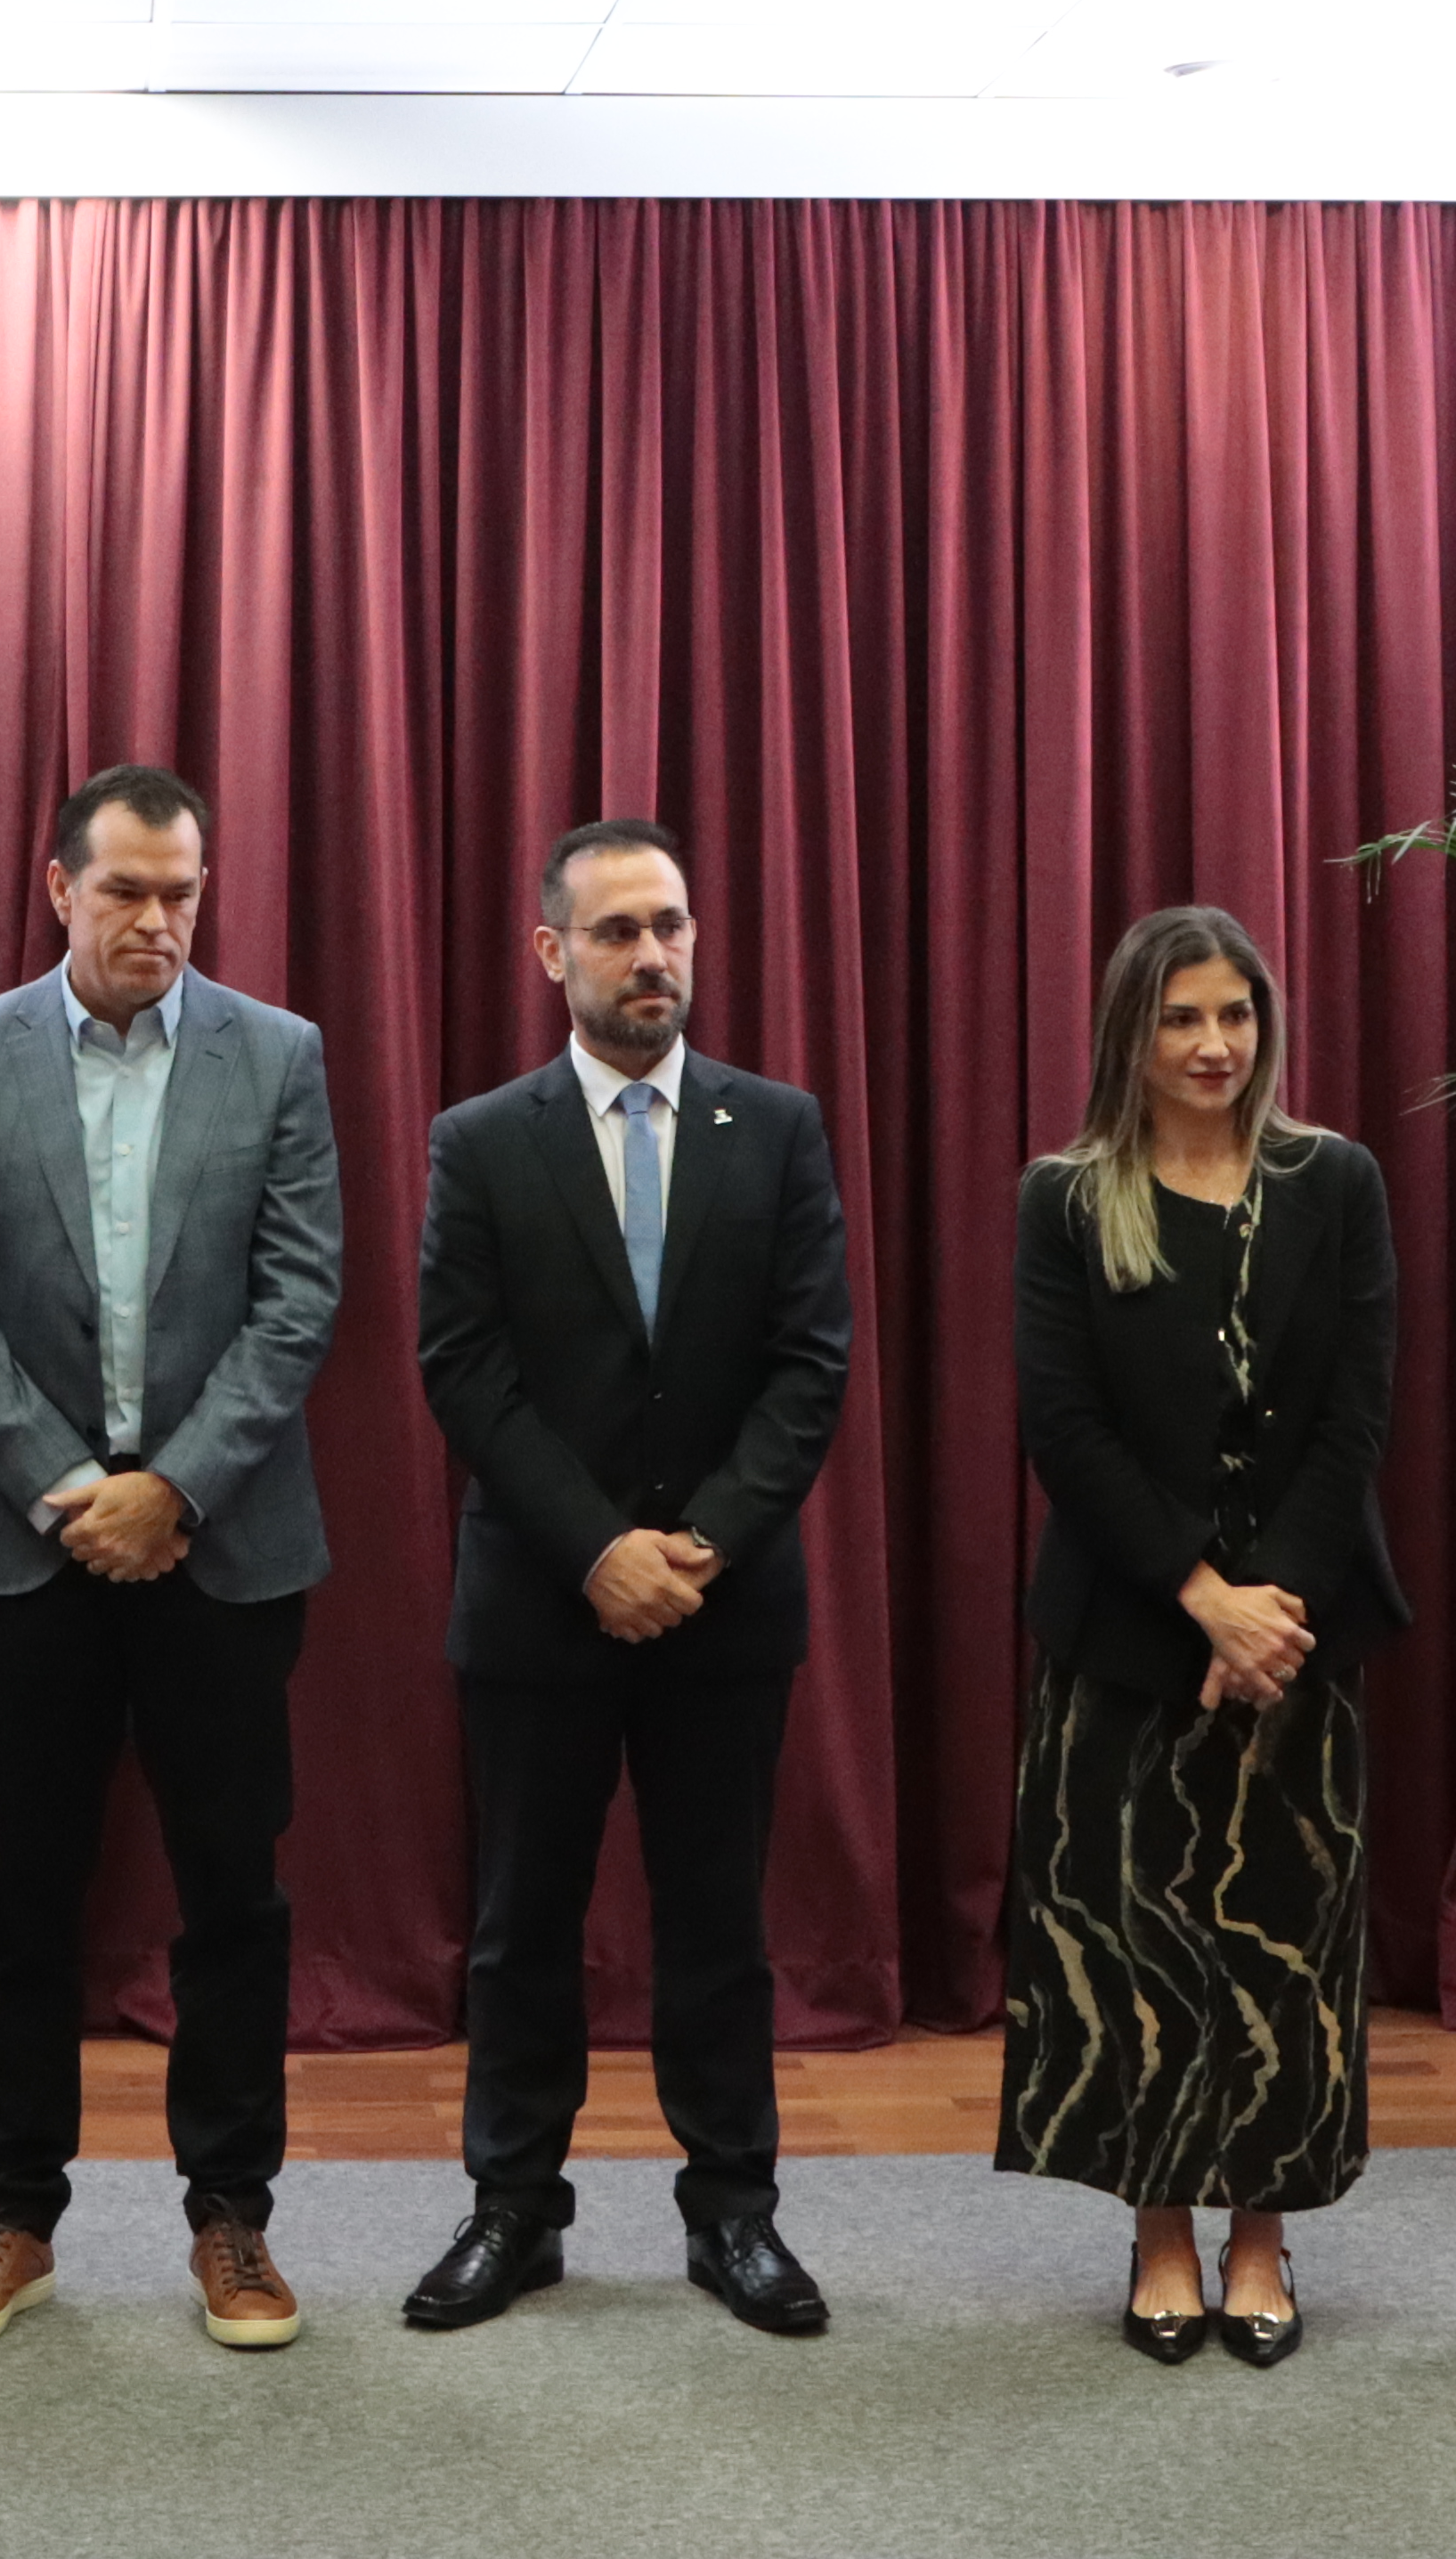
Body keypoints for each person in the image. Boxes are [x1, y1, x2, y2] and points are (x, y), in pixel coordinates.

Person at [0, 763, 348, 2352]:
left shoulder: (276, 1054)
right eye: (128, 892)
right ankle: (15, 2213)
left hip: (225, 1551)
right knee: (24, 1896)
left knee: (234, 1896)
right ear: (57, 886)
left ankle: (234, 2221)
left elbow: (301, 1300)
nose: (158, 921)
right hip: (27, 1549)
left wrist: (179, 1490)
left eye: (184, 895)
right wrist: (77, 1485)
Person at [404, 818, 852, 2340]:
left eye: (669, 925)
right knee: (523, 1926)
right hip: (542, 1600)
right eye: (616, 932)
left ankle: (735, 2215)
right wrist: (595, 1548)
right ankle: (513, 2211)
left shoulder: (777, 1127)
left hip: (725, 1605)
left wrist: (702, 1545)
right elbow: (462, 1370)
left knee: (717, 1924)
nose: (652, 955)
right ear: (553, 954)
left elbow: (809, 1366)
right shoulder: (481, 1141)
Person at [996, 904, 1405, 2367]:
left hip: (1300, 1641)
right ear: (1131, 1033)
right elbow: (1066, 1426)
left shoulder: (1333, 1181)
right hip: (1125, 1633)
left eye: (1234, 1014)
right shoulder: (1064, 1196)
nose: (1214, 1044)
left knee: (1286, 1948)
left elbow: (1357, 1409)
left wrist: (1269, 1605)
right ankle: (1161, 2230)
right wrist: (1200, 1594)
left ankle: (1262, 2236)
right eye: (1181, 1018)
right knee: (1130, 1944)